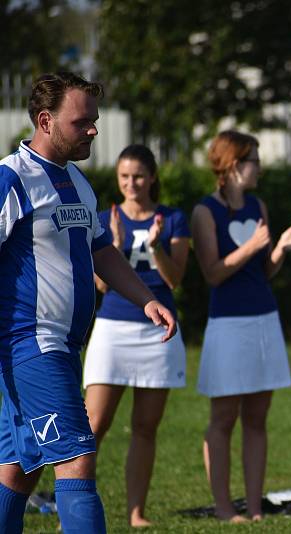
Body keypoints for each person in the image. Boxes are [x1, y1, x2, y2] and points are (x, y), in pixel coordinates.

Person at [0, 72, 176, 534]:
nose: (94, 130)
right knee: (77, 458)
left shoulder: (77, 180)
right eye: (82, 122)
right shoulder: (11, 178)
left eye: (94, 120)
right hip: (30, 345)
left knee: (19, 468)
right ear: (45, 120)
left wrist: (145, 300)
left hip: (63, 346)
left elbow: (102, 251)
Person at [191, 130, 291, 522]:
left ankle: (256, 507)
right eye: (254, 161)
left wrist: (279, 249)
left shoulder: (258, 205)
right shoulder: (204, 212)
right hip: (227, 325)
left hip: (264, 319)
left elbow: (263, 271)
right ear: (232, 165)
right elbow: (212, 273)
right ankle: (226, 508)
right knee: (223, 418)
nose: (260, 168)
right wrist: (251, 246)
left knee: (258, 418)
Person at [82, 145, 190, 527]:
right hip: (112, 328)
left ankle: (136, 512)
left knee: (146, 427)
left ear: (153, 177)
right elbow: (100, 285)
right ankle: (77, 510)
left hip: (158, 331)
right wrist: (113, 241)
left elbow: (174, 280)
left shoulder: (173, 218)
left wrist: (155, 245)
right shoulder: (102, 218)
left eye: (139, 176)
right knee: (94, 424)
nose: (131, 184)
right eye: (124, 176)